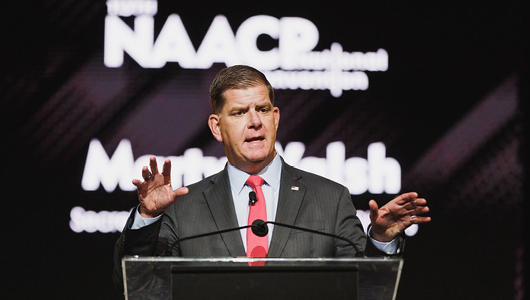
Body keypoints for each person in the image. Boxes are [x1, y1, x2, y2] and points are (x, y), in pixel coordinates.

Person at [113, 65, 430, 288]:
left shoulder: (330, 199)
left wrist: (381, 240)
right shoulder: (183, 208)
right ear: (215, 126)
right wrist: (148, 217)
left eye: (262, 109)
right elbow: (137, 284)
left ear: (275, 117)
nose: (254, 122)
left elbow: (366, 288)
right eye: (239, 113)